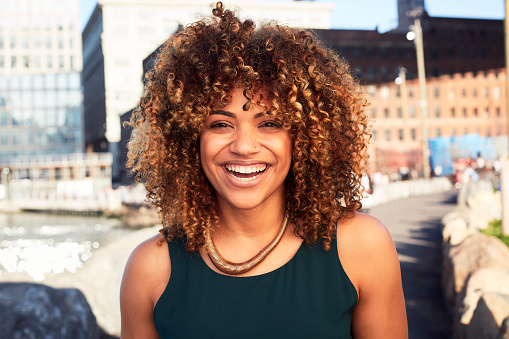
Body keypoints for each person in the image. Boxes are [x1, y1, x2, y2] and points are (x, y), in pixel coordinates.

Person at [120, 2, 407, 338]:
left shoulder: (362, 247)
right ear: (188, 137)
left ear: (303, 137)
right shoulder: (150, 270)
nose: (244, 146)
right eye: (221, 124)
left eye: (269, 123)